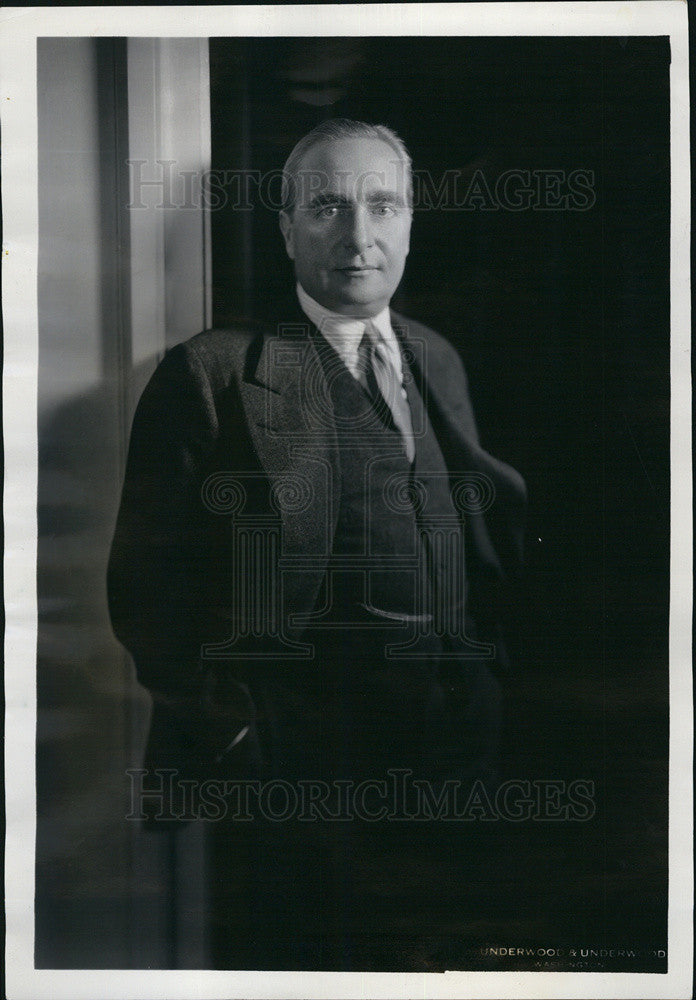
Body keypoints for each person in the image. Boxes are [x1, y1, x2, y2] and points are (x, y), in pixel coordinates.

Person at [108, 118, 526, 970]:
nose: (359, 236)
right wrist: (231, 736)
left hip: (452, 751)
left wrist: (485, 688)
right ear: (286, 227)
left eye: (383, 205)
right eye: (328, 206)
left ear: (410, 221)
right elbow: (147, 587)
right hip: (296, 774)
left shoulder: (437, 358)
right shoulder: (214, 374)